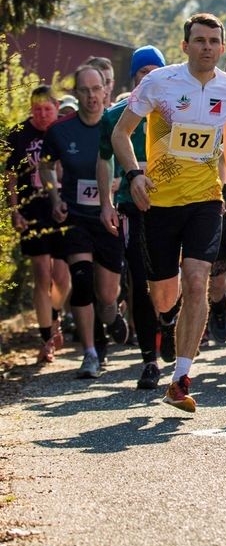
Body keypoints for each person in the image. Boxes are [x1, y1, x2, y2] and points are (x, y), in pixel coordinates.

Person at [110, 13, 226, 412]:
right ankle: (168, 321)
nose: (207, 47)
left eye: (213, 41)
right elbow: (121, 132)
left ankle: (181, 378)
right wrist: (134, 174)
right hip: (158, 202)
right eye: (199, 40)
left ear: (222, 47)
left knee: (197, 278)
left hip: (206, 199)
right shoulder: (159, 83)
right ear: (185, 46)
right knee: (164, 295)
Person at [41, 66, 128, 380]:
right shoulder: (60, 131)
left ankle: (112, 316)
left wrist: (122, 182)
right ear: (76, 94)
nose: (92, 96)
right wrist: (55, 199)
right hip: (76, 216)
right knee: (80, 280)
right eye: (85, 90)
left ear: (106, 89)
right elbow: (46, 166)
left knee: (106, 295)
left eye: (97, 89)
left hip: (111, 219)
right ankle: (90, 353)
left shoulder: (120, 124)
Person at [98, 46, 167, 389]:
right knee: (139, 283)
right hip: (131, 206)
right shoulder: (116, 114)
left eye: (155, 71)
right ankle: (149, 361)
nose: (148, 77)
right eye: (142, 72)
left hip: (173, 205)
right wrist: (106, 203)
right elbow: (103, 158)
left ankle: (168, 322)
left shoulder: (177, 112)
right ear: (134, 77)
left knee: (171, 280)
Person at [5, 85, 68, 362]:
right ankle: (47, 338)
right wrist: (14, 211)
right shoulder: (19, 134)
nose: (42, 115)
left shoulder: (65, 131)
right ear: (31, 109)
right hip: (33, 211)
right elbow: (11, 177)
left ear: (56, 108)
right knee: (42, 274)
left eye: (47, 109)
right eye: (37, 110)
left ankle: (56, 316)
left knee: (62, 279)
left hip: (63, 211)